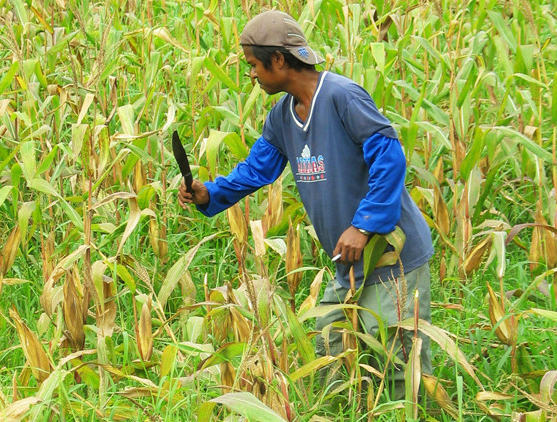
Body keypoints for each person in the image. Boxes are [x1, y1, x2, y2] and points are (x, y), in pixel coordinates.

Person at [177, 10, 434, 400]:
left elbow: (389, 155)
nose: (251, 75)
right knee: (330, 354)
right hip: (346, 262)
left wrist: (364, 225)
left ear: (278, 60)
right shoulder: (281, 117)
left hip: (391, 258)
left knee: (400, 369)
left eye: (253, 65)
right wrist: (210, 194)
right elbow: (256, 169)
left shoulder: (341, 96)